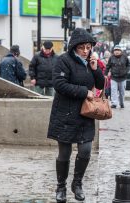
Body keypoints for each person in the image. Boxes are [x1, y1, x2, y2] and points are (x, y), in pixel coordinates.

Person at [47, 28, 105, 202]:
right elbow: (59, 84)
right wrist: (83, 92)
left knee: (86, 151)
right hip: (65, 113)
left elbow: (101, 84)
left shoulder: (90, 63)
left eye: (88, 47)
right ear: (74, 47)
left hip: (85, 114)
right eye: (82, 48)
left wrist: (95, 70)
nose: (86, 51)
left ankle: (77, 183)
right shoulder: (63, 61)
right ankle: (61, 187)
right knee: (64, 153)